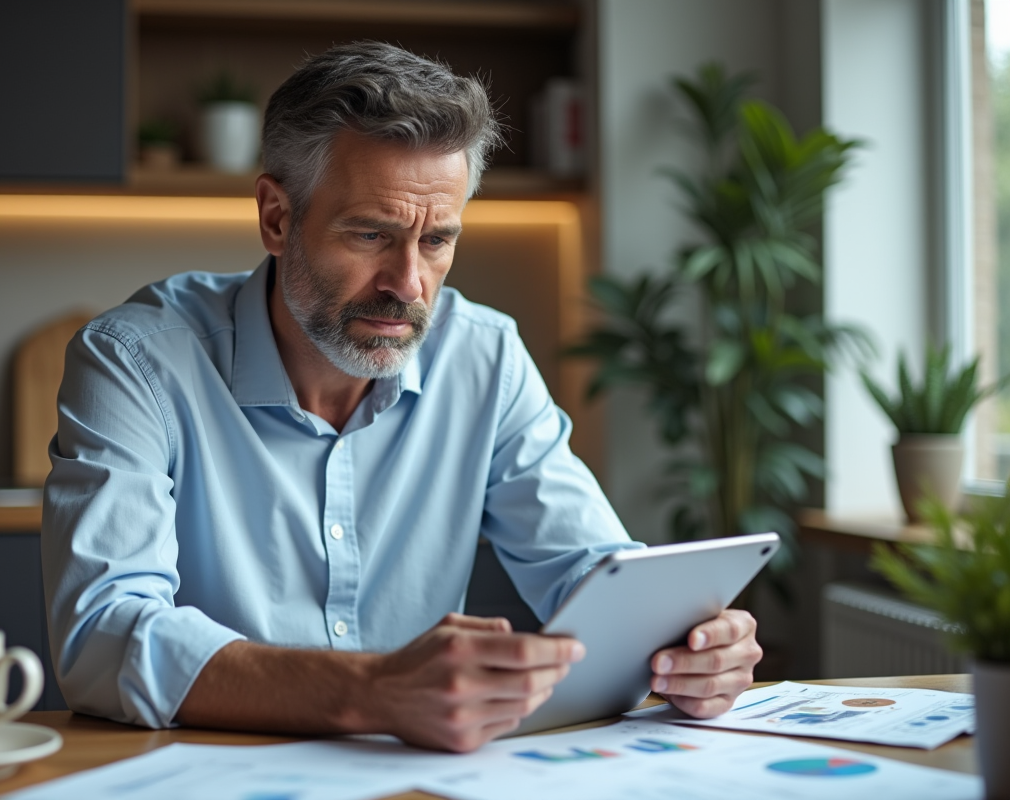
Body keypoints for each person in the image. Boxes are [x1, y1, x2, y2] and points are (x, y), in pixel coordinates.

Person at [41, 41, 762, 753]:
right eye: (370, 235)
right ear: (276, 217)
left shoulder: (484, 356)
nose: (408, 284)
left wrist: (687, 648)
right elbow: (103, 637)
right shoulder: (135, 360)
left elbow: (594, 577)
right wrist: (369, 689)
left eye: (437, 240)